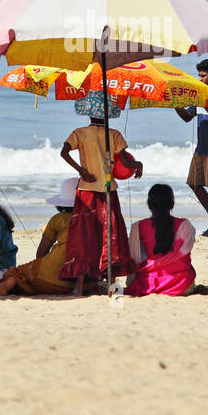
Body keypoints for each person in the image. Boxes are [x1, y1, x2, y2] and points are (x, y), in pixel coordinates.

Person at [59, 92, 143, 295]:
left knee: (83, 237)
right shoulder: (114, 135)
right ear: (107, 114)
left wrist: (81, 170)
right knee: (110, 236)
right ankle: (112, 287)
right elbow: (124, 161)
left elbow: (64, 152)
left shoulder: (79, 133)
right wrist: (138, 165)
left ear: (88, 114)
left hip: (86, 190)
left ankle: (79, 287)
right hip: (107, 190)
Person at [173, 58, 208, 235]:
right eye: (198, 76)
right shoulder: (197, 92)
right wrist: (175, 104)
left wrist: (205, 103)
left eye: (203, 76)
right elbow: (187, 117)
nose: (199, 79)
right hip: (202, 146)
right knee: (194, 184)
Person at [0, 179, 77, 296]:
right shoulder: (94, 219)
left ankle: (3, 288)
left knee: (19, 273)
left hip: (53, 278)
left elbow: (41, 252)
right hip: (87, 282)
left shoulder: (58, 219)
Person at [126, 184, 197, 296]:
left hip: (148, 284)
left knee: (131, 276)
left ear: (149, 205)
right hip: (183, 285)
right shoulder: (185, 225)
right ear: (172, 205)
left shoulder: (137, 227)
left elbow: (135, 260)